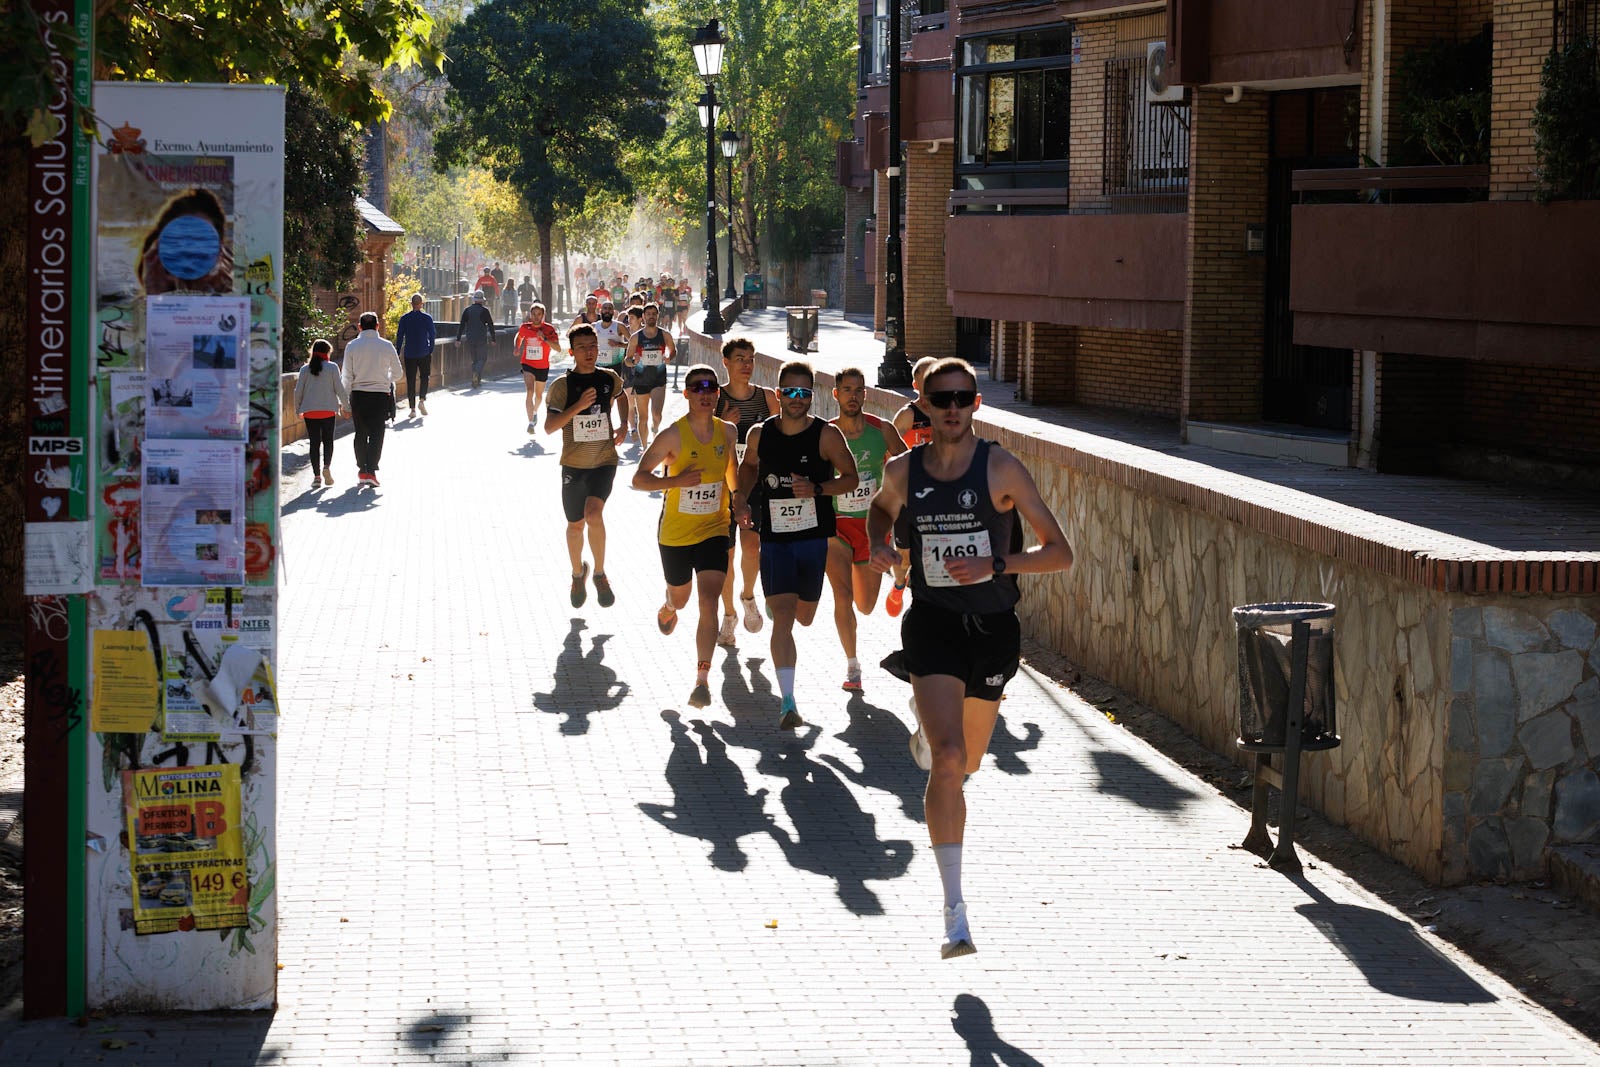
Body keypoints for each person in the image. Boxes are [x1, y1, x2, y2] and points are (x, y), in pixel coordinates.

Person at [866, 357, 1074, 960]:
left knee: (970, 762)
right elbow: (881, 507)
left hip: (993, 629)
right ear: (923, 406)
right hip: (932, 621)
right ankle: (954, 912)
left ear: (976, 403)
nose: (951, 407)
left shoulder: (1001, 468)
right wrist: (881, 540)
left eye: (961, 397)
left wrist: (996, 565)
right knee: (950, 760)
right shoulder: (904, 468)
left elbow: (1060, 553)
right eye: (940, 398)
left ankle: (933, 736)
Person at [732, 361, 858, 729]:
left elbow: (850, 479)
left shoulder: (826, 436)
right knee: (784, 620)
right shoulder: (760, 433)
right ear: (779, 393)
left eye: (805, 393)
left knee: (804, 616)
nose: (798, 399)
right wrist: (741, 497)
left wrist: (818, 489)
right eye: (791, 392)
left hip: (813, 539)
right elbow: (749, 466)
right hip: (775, 540)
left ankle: (783, 603)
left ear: (813, 396)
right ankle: (787, 701)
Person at [630, 364, 739, 709]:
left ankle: (702, 680)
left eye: (711, 388)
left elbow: (731, 474)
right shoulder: (672, 436)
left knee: (709, 601)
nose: (705, 393)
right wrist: (675, 482)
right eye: (698, 387)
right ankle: (668, 604)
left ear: (717, 394)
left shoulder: (728, 432)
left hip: (714, 529)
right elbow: (639, 479)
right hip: (676, 534)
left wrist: (741, 504)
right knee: (682, 600)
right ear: (687, 394)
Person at [827, 367, 908, 690]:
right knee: (842, 595)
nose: (853, 395)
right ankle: (852, 667)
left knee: (865, 604)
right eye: (846, 389)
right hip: (835, 526)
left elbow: (908, 464)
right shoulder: (827, 433)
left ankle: (895, 587)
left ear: (865, 394)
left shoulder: (882, 430)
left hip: (872, 528)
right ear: (836, 394)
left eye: (859, 390)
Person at [544, 323, 630, 608]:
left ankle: (600, 574)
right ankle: (577, 573)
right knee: (574, 526)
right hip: (573, 464)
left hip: (604, 460)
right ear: (572, 352)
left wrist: (624, 425)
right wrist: (577, 406)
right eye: (582, 347)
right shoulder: (562, 387)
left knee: (594, 513)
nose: (589, 352)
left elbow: (621, 396)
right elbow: (549, 427)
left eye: (593, 346)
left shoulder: (609, 378)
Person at [714, 337, 779, 644]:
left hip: (755, 484)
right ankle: (728, 616)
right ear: (725, 362)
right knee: (725, 556)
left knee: (752, 547)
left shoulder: (766, 399)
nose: (746, 365)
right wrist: (722, 424)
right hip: (722, 487)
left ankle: (748, 597)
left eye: (751, 359)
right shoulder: (715, 398)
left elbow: (780, 438)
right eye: (740, 359)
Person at [885, 355, 939, 616]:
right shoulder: (907, 415)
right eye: (926, 379)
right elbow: (888, 453)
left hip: (938, 498)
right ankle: (898, 585)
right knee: (903, 555)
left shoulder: (949, 414)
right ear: (916, 385)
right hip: (906, 496)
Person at [342, 312, 405, 487]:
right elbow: (398, 373)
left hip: (359, 395)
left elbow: (346, 377)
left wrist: (344, 404)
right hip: (380, 396)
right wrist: (385, 379)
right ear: (378, 326)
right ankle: (371, 470)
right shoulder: (386, 346)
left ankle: (362, 469)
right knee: (377, 434)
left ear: (360, 327)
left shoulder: (352, 346)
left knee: (360, 433)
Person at [294, 338, 349, 489]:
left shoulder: (305, 369)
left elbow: (298, 392)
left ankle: (317, 477)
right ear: (327, 353)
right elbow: (340, 389)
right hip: (328, 411)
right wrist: (347, 407)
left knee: (314, 443)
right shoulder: (332, 368)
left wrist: (297, 409)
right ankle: (326, 466)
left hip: (310, 412)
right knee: (328, 441)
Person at [624, 302, 676, 451]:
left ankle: (655, 428)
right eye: (648, 314)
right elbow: (627, 360)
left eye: (654, 314)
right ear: (644, 317)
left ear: (657, 316)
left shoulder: (664, 334)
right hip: (641, 380)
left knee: (656, 414)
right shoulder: (636, 337)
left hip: (658, 379)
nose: (651, 316)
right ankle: (645, 447)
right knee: (643, 417)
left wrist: (669, 357)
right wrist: (633, 361)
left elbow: (673, 350)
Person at [516, 302, 561, 433]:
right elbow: (518, 337)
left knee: (539, 396)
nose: (536, 317)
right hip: (527, 364)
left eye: (539, 314)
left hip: (542, 366)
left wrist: (545, 338)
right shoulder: (525, 327)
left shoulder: (549, 329)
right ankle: (530, 423)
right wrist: (516, 347)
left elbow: (558, 348)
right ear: (530, 315)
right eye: (533, 314)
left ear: (543, 315)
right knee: (530, 391)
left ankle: (535, 411)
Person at [395, 292, 435, 418]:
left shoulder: (404, 318)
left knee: (411, 380)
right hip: (424, 352)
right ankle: (422, 400)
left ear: (411, 304)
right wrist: (430, 349)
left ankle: (412, 409)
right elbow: (432, 335)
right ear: (421, 304)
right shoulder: (427, 318)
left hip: (410, 353)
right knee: (425, 377)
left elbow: (400, 336)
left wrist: (397, 351)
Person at [459, 290, 497, 389]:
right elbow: (490, 325)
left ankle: (476, 380)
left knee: (475, 359)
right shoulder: (484, 311)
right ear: (482, 300)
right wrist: (493, 338)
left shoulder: (467, 310)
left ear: (474, 300)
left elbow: (462, 325)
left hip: (470, 338)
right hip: (481, 338)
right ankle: (476, 373)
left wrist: (458, 339)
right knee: (482, 359)